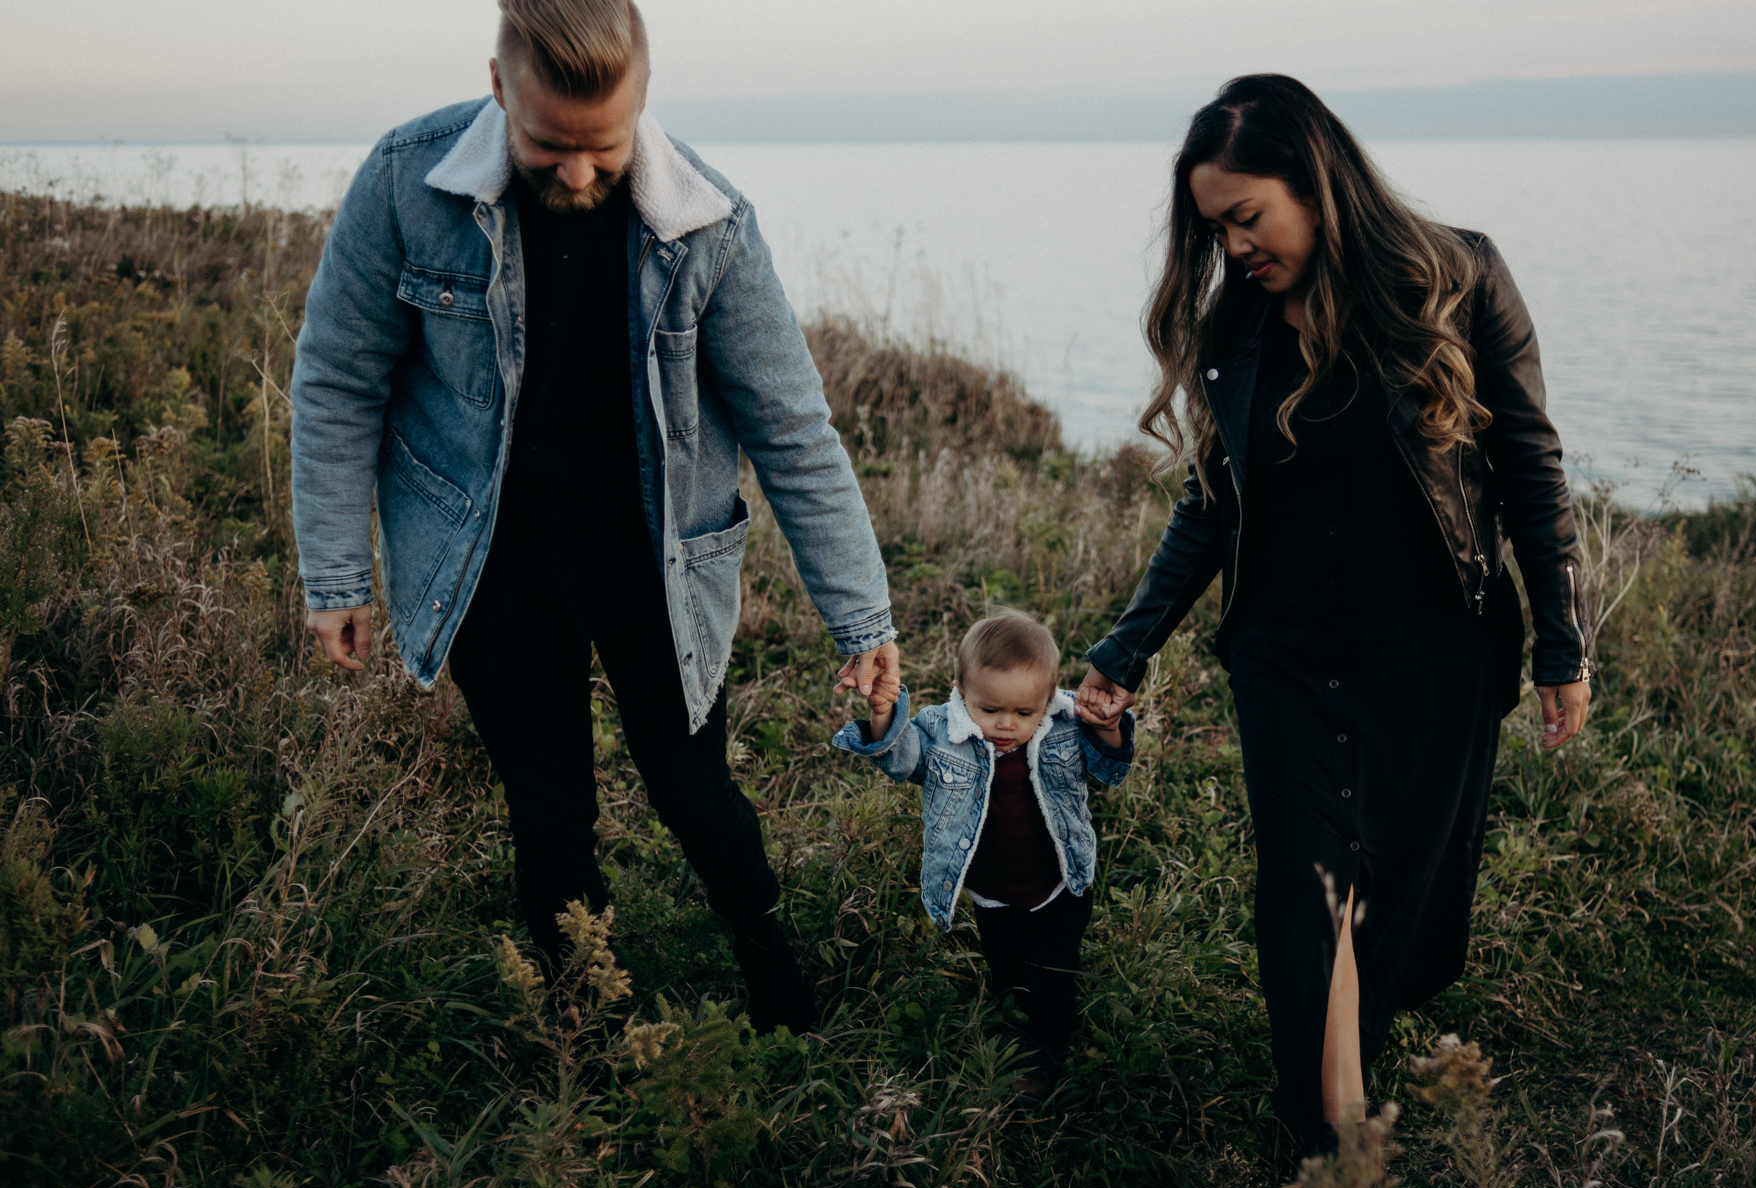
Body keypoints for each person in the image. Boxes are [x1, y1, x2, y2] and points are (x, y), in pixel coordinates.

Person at [289, 0, 901, 1034]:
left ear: (644, 106)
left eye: (603, 151)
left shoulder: (710, 223)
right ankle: (590, 1024)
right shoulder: (405, 179)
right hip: (489, 554)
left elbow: (793, 427)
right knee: (550, 808)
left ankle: (773, 971)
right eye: (546, 146)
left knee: (694, 791)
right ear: (498, 87)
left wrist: (865, 619)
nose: (576, 176)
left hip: (654, 553)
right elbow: (338, 378)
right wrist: (337, 576)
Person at [1075, 75, 1596, 1155]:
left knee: (1388, 897)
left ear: (1315, 179)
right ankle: (1329, 1148)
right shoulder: (1237, 326)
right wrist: (1124, 651)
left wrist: (1561, 638)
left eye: (1247, 216)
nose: (1233, 247)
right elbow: (1213, 506)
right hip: (1285, 652)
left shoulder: (1457, 277)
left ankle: (1340, 1095)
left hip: (1431, 653)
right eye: (1214, 228)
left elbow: (1531, 468)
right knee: (1309, 887)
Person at [833, 611, 1134, 1096]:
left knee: (1052, 972)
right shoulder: (940, 732)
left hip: (1059, 883)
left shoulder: (1063, 724)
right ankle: (1009, 1003)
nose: (1005, 725)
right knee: (1006, 962)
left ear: (1049, 698)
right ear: (961, 690)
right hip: (990, 887)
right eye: (990, 709)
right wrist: (884, 713)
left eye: (1023, 712)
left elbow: (1107, 763)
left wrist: (1110, 727)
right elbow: (901, 759)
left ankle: (1045, 1054)